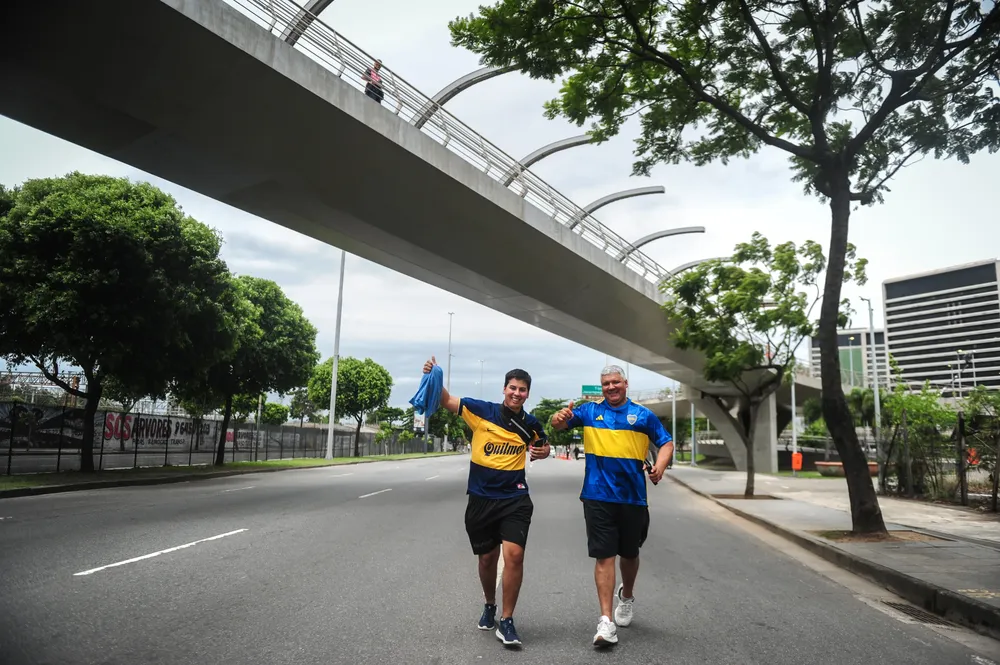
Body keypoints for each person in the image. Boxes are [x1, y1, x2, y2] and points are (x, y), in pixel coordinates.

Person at [421, 356, 550, 647]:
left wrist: (543, 451)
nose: (517, 393)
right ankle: (490, 603)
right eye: (512, 388)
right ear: (504, 389)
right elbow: (446, 400)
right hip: (481, 500)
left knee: (514, 555)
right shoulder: (481, 411)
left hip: (515, 498)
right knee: (487, 559)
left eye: (522, 389)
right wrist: (433, 375)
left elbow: (542, 445)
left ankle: (507, 620)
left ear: (528, 393)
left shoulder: (530, 423)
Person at [550, 365, 673, 647]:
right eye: (606, 383)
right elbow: (557, 425)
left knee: (629, 554)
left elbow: (666, 443)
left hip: (633, 498)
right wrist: (559, 417)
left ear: (625, 383)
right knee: (604, 556)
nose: (611, 387)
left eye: (616, 382)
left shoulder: (643, 415)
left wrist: (660, 467)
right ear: (601, 386)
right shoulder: (589, 411)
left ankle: (626, 596)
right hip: (597, 495)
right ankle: (606, 622)